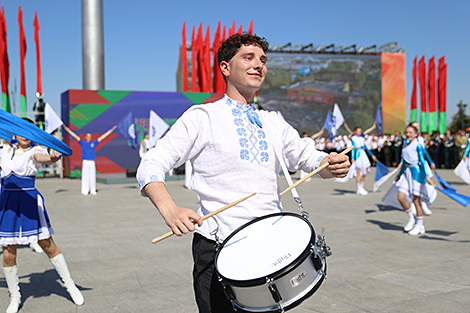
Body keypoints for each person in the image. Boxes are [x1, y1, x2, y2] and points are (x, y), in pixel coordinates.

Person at [136, 33, 350, 313]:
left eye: (262, 60)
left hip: (270, 244)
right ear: (225, 67)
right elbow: (152, 162)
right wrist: (169, 208)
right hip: (217, 247)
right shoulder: (203, 117)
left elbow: (308, 157)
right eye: (248, 58)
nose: (258, 65)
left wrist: (330, 164)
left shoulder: (272, 121)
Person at [0, 119, 84, 313]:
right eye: (21, 131)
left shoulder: (35, 151)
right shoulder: (4, 149)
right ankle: (15, 297)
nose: (24, 135)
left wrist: (52, 158)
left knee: (47, 244)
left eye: (30, 132)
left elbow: (41, 158)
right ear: (14, 131)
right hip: (7, 203)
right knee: (8, 249)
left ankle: (70, 286)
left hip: (29, 200)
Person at [395, 124, 433, 235]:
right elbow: (405, 161)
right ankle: (411, 218)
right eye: (406, 132)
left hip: (416, 174)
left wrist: (426, 176)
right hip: (406, 174)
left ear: (415, 134)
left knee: (416, 201)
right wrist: (399, 174)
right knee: (400, 197)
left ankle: (420, 225)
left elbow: (421, 161)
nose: (408, 134)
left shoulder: (418, 145)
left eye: (410, 132)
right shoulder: (405, 145)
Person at [62, 124, 117, 195]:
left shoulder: (94, 143)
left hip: (92, 161)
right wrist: (67, 130)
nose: (89, 138)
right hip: (85, 161)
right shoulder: (83, 143)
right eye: (87, 136)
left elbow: (103, 137)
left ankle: (92, 190)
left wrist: (111, 130)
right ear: (85, 137)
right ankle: (85, 190)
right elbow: (75, 136)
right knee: (85, 176)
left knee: (92, 176)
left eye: (90, 137)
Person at [350, 126, 378, 195]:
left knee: (365, 172)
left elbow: (366, 148)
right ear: (355, 131)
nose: (359, 132)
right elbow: (353, 148)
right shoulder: (353, 138)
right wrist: (352, 157)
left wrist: (372, 156)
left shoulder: (362, 138)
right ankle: (358, 188)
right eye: (358, 130)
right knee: (359, 172)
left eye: (360, 130)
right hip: (358, 155)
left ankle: (361, 187)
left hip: (363, 155)